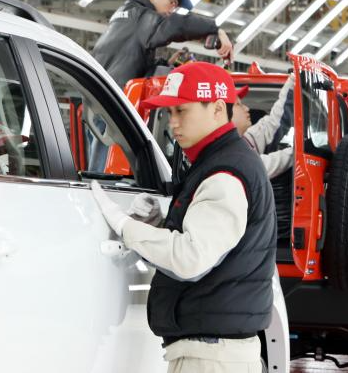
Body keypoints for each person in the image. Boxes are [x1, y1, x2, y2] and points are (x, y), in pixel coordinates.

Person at [89, 62, 276, 373]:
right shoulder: (219, 163)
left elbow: (191, 258)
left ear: (218, 109)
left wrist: (127, 227)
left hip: (211, 359)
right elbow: (212, 249)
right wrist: (157, 226)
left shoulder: (225, 174)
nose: (173, 122)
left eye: (182, 111)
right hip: (213, 352)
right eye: (169, 112)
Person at [93, 0, 233, 87]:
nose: (172, 10)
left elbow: (126, 59)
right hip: (114, 100)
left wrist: (166, 64)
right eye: (172, 3)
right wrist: (216, 29)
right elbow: (178, 24)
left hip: (101, 93)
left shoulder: (126, 13)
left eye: (176, 7)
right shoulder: (141, 16)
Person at [231, 75, 295, 179]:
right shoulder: (226, 152)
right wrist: (298, 153)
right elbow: (260, 166)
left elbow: (272, 123)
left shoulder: (246, 139)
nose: (246, 108)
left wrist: (292, 81)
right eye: (238, 104)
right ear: (221, 111)